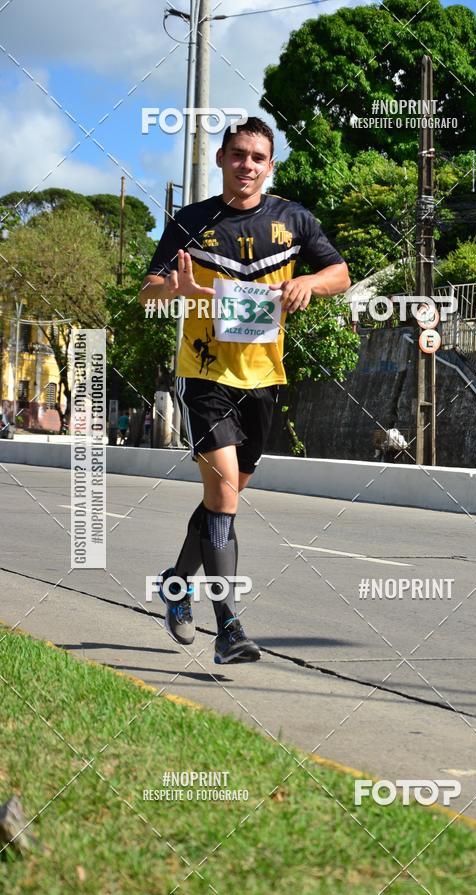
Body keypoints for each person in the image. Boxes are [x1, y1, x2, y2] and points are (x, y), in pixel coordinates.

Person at [138, 116, 350, 663]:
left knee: (223, 498)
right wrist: (176, 288)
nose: (247, 165)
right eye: (238, 155)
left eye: (257, 157)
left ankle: (176, 584)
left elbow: (341, 274)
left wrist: (308, 281)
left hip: (263, 378)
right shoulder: (191, 221)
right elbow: (148, 290)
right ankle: (228, 627)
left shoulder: (293, 219)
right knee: (225, 492)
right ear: (221, 159)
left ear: (269, 165)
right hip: (205, 373)